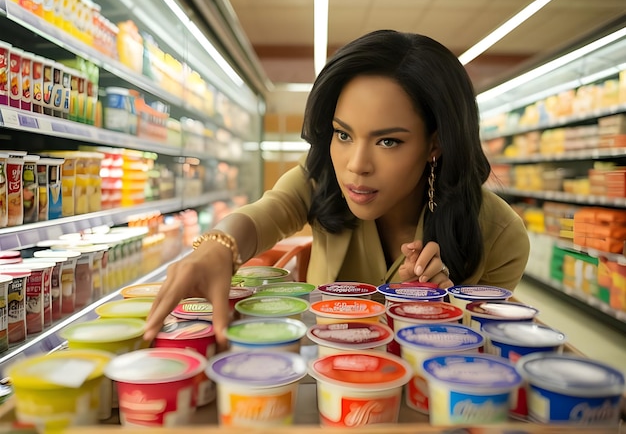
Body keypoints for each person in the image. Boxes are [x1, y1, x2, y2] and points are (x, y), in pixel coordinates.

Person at [144, 30, 530, 345]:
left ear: (435, 143)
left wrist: (430, 308)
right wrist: (217, 247)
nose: (356, 165)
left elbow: (484, 355)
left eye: (388, 141)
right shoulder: (322, 177)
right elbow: (267, 212)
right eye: (343, 134)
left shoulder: (499, 236)